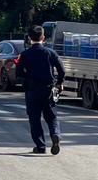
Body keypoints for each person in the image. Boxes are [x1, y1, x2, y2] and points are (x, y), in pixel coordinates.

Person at [14, 25, 66, 154]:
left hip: (32, 90)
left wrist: (29, 78)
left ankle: (40, 146)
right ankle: (56, 135)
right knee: (52, 117)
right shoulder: (51, 53)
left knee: (34, 119)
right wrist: (60, 82)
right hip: (49, 89)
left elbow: (19, 73)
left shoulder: (25, 54)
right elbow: (62, 70)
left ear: (29, 38)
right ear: (43, 38)